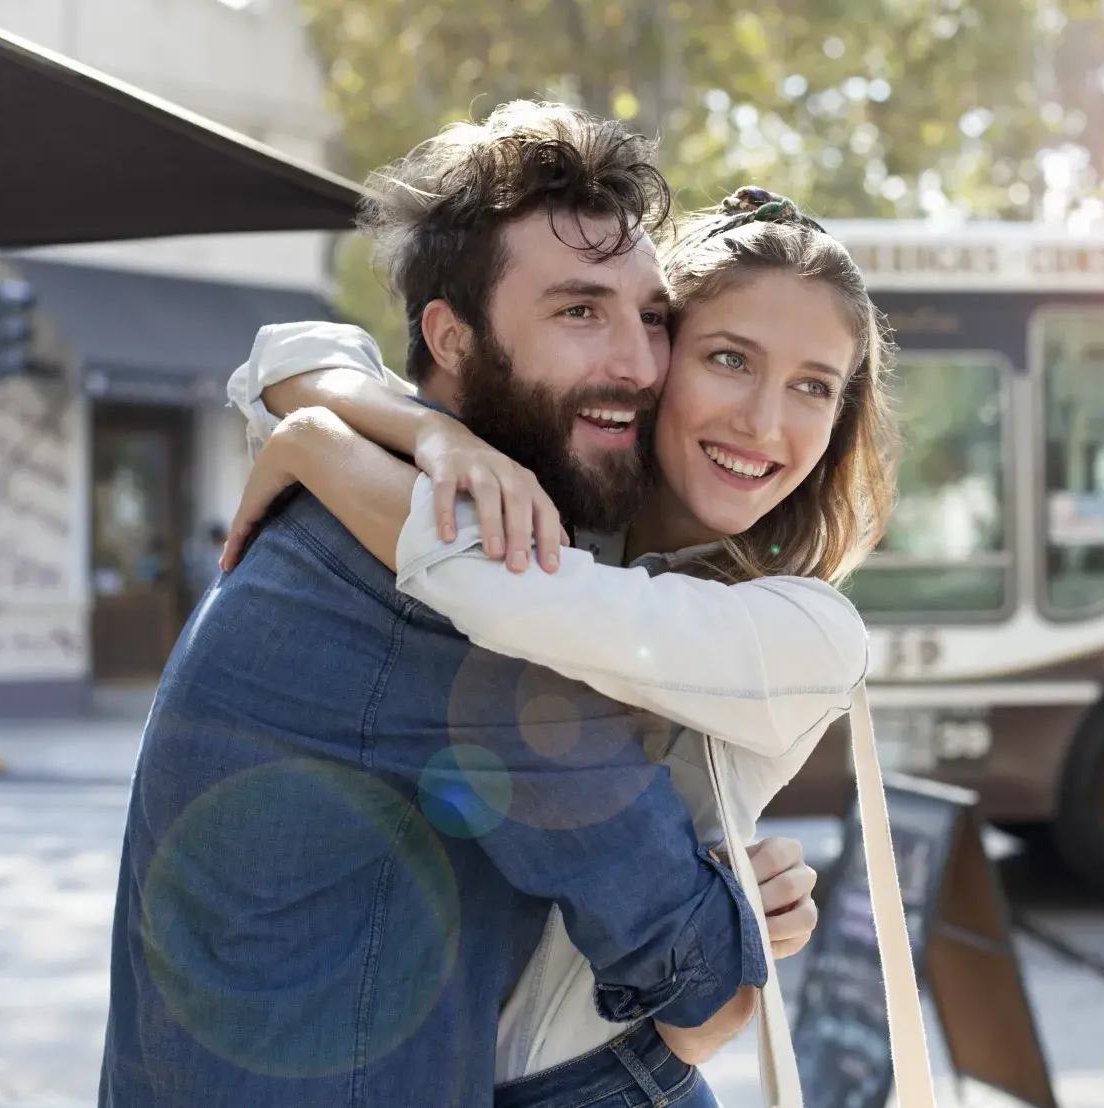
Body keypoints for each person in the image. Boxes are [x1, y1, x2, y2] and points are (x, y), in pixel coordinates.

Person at [98, 104, 812, 1108]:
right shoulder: (467, 606)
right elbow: (705, 992)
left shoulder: (365, 505)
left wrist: (335, 429)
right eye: (578, 312)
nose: (641, 364)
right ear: (454, 339)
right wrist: (746, 911)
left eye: (650, 316)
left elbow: (299, 357)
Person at [220, 184, 902, 1107]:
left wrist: (314, 442)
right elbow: (297, 349)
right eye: (730, 359)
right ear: (654, 361)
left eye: (813, 386)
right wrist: (413, 427)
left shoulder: (809, 630)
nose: (765, 422)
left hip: (606, 1078)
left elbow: (500, 592)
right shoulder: (573, 521)